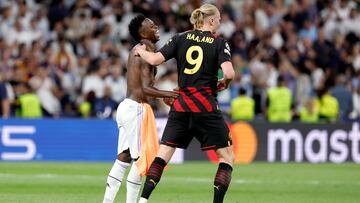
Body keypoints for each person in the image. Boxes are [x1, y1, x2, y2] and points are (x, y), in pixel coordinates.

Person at [135, 4, 235, 203]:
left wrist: (140, 51)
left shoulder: (180, 37)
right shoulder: (219, 42)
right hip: (205, 107)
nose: (220, 23)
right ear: (212, 20)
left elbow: (155, 60)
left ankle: (143, 200)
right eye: (219, 20)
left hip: (180, 106)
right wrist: (225, 82)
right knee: (227, 157)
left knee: (162, 156)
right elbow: (230, 73)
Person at [102, 15, 179, 203]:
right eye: (151, 25)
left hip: (127, 106)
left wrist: (164, 95)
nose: (156, 27)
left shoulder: (142, 51)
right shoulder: (144, 51)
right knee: (141, 160)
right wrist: (171, 94)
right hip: (136, 108)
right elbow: (144, 89)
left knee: (124, 157)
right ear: (142, 33)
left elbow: (144, 87)